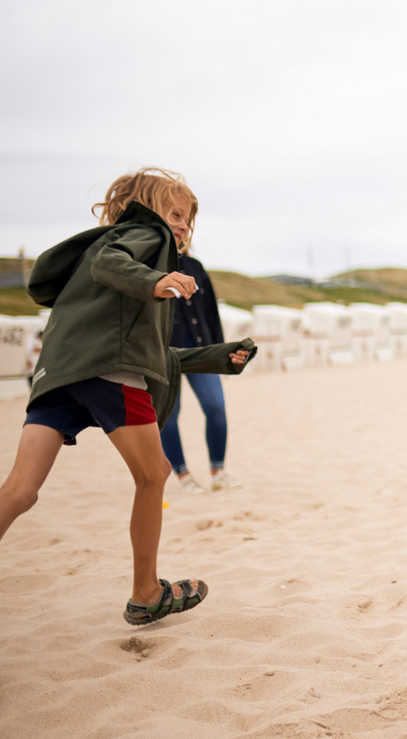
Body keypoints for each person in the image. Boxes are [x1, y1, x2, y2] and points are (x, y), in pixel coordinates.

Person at [0, 168, 255, 626]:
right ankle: (146, 593)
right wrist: (154, 282)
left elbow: (148, 351)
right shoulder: (143, 236)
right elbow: (112, 266)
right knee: (154, 473)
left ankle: (145, 590)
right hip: (110, 375)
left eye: (187, 220)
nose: (180, 226)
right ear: (146, 206)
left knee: (20, 491)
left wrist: (215, 357)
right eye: (174, 213)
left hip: (59, 375)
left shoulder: (99, 253)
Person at [160, 251, 240, 493]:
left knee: (215, 406)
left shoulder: (195, 266)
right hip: (164, 353)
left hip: (200, 347)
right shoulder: (149, 263)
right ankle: (183, 475)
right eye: (174, 218)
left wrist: (221, 352)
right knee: (169, 416)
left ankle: (218, 472)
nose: (182, 226)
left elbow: (211, 313)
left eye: (185, 220)